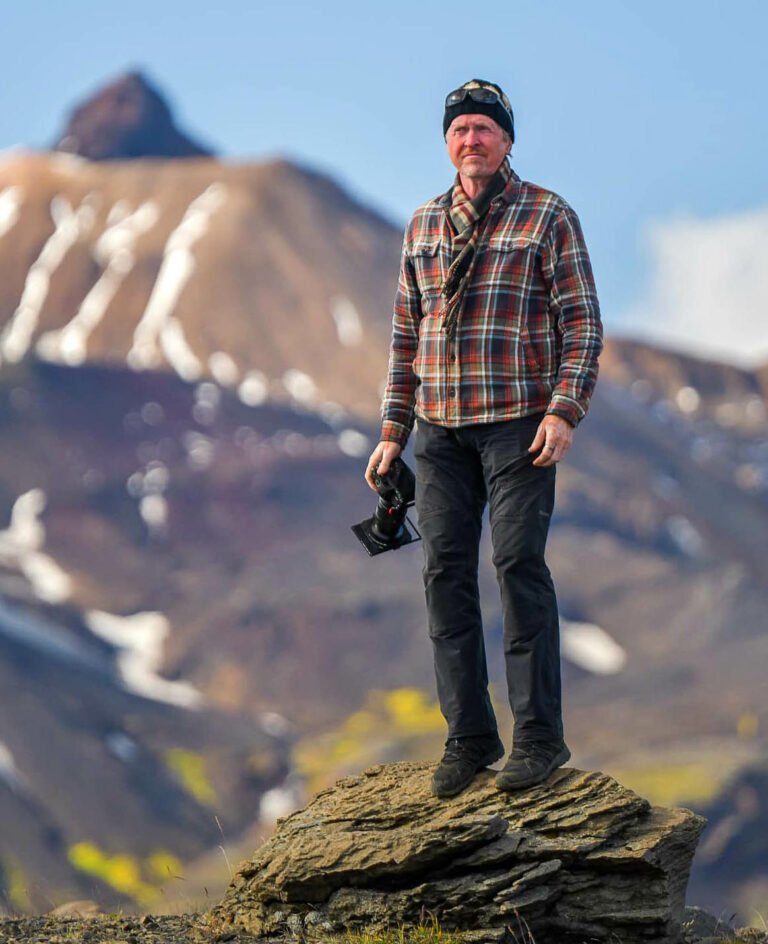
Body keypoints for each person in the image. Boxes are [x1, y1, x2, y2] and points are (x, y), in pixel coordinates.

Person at [365, 79, 603, 798]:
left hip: (519, 426)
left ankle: (538, 739)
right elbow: (406, 336)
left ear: (507, 140)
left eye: (485, 129)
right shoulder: (423, 225)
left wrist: (563, 410)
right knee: (444, 575)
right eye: (461, 129)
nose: (473, 140)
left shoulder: (547, 216)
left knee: (519, 565)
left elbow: (582, 325)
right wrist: (391, 431)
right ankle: (468, 738)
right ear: (447, 142)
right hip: (439, 433)